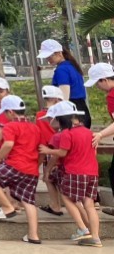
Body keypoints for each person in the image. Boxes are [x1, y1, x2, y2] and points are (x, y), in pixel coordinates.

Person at [39, 100, 101, 246]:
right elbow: (94, 151)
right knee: (89, 204)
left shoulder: (67, 134)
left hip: (75, 172)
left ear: (60, 120)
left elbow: (61, 152)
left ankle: (83, 229)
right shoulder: (89, 132)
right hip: (92, 172)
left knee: (68, 198)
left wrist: (48, 151)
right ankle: (95, 237)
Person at [0, 94, 41, 243]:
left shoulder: (10, 126)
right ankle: (33, 236)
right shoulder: (34, 127)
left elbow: (8, 144)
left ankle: (7, 206)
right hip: (31, 168)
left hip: (15, 164)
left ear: (10, 112)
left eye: (5, 113)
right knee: (28, 201)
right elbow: (40, 149)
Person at [85, 61, 114, 214]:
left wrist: (101, 134)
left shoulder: (112, 96)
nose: (98, 87)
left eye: (98, 83)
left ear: (104, 80)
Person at [39, 39, 88, 126]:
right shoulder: (72, 66)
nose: (48, 59)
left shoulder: (62, 70)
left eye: (50, 56)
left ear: (59, 53)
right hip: (81, 109)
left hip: (70, 112)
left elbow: (64, 97)